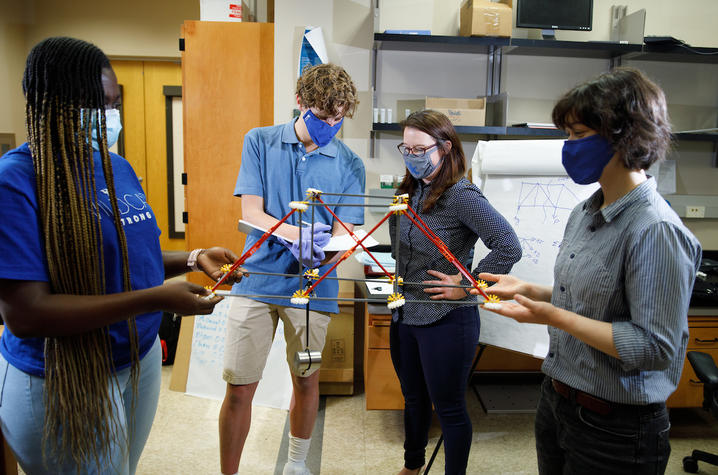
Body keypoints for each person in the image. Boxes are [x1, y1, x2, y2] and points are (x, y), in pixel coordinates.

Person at [0, 37, 245, 474]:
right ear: (50, 102)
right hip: (64, 377)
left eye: (113, 104)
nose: (108, 118)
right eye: (96, 104)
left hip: (136, 358)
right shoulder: (16, 181)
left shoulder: (114, 167)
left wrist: (193, 257)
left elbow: (131, 255)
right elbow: (26, 313)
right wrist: (154, 299)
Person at [475, 67, 702, 474]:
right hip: (559, 402)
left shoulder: (655, 230)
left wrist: (551, 315)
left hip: (616, 428)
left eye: (578, 135)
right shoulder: (586, 211)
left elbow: (654, 346)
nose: (568, 147)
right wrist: (533, 290)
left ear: (623, 134)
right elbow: (595, 299)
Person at [218, 63, 365, 475]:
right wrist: (291, 235)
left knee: (307, 380)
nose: (330, 126)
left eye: (338, 119)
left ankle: (297, 465)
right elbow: (251, 211)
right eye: (322, 117)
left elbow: (345, 233)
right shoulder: (260, 141)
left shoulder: (349, 163)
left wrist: (326, 254)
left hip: (314, 287)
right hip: (258, 280)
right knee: (240, 386)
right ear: (299, 103)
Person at [389, 110, 522, 475]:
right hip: (405, 314)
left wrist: (466, 285)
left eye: (420, 148)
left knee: (448, 409)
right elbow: (401, 250)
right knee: (413, 399)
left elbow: (508, 246)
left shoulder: (460, 195)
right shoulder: (409, 191)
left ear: (445, 148)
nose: (411, 155)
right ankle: (412, 466)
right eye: (406, 148)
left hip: (446, 320)